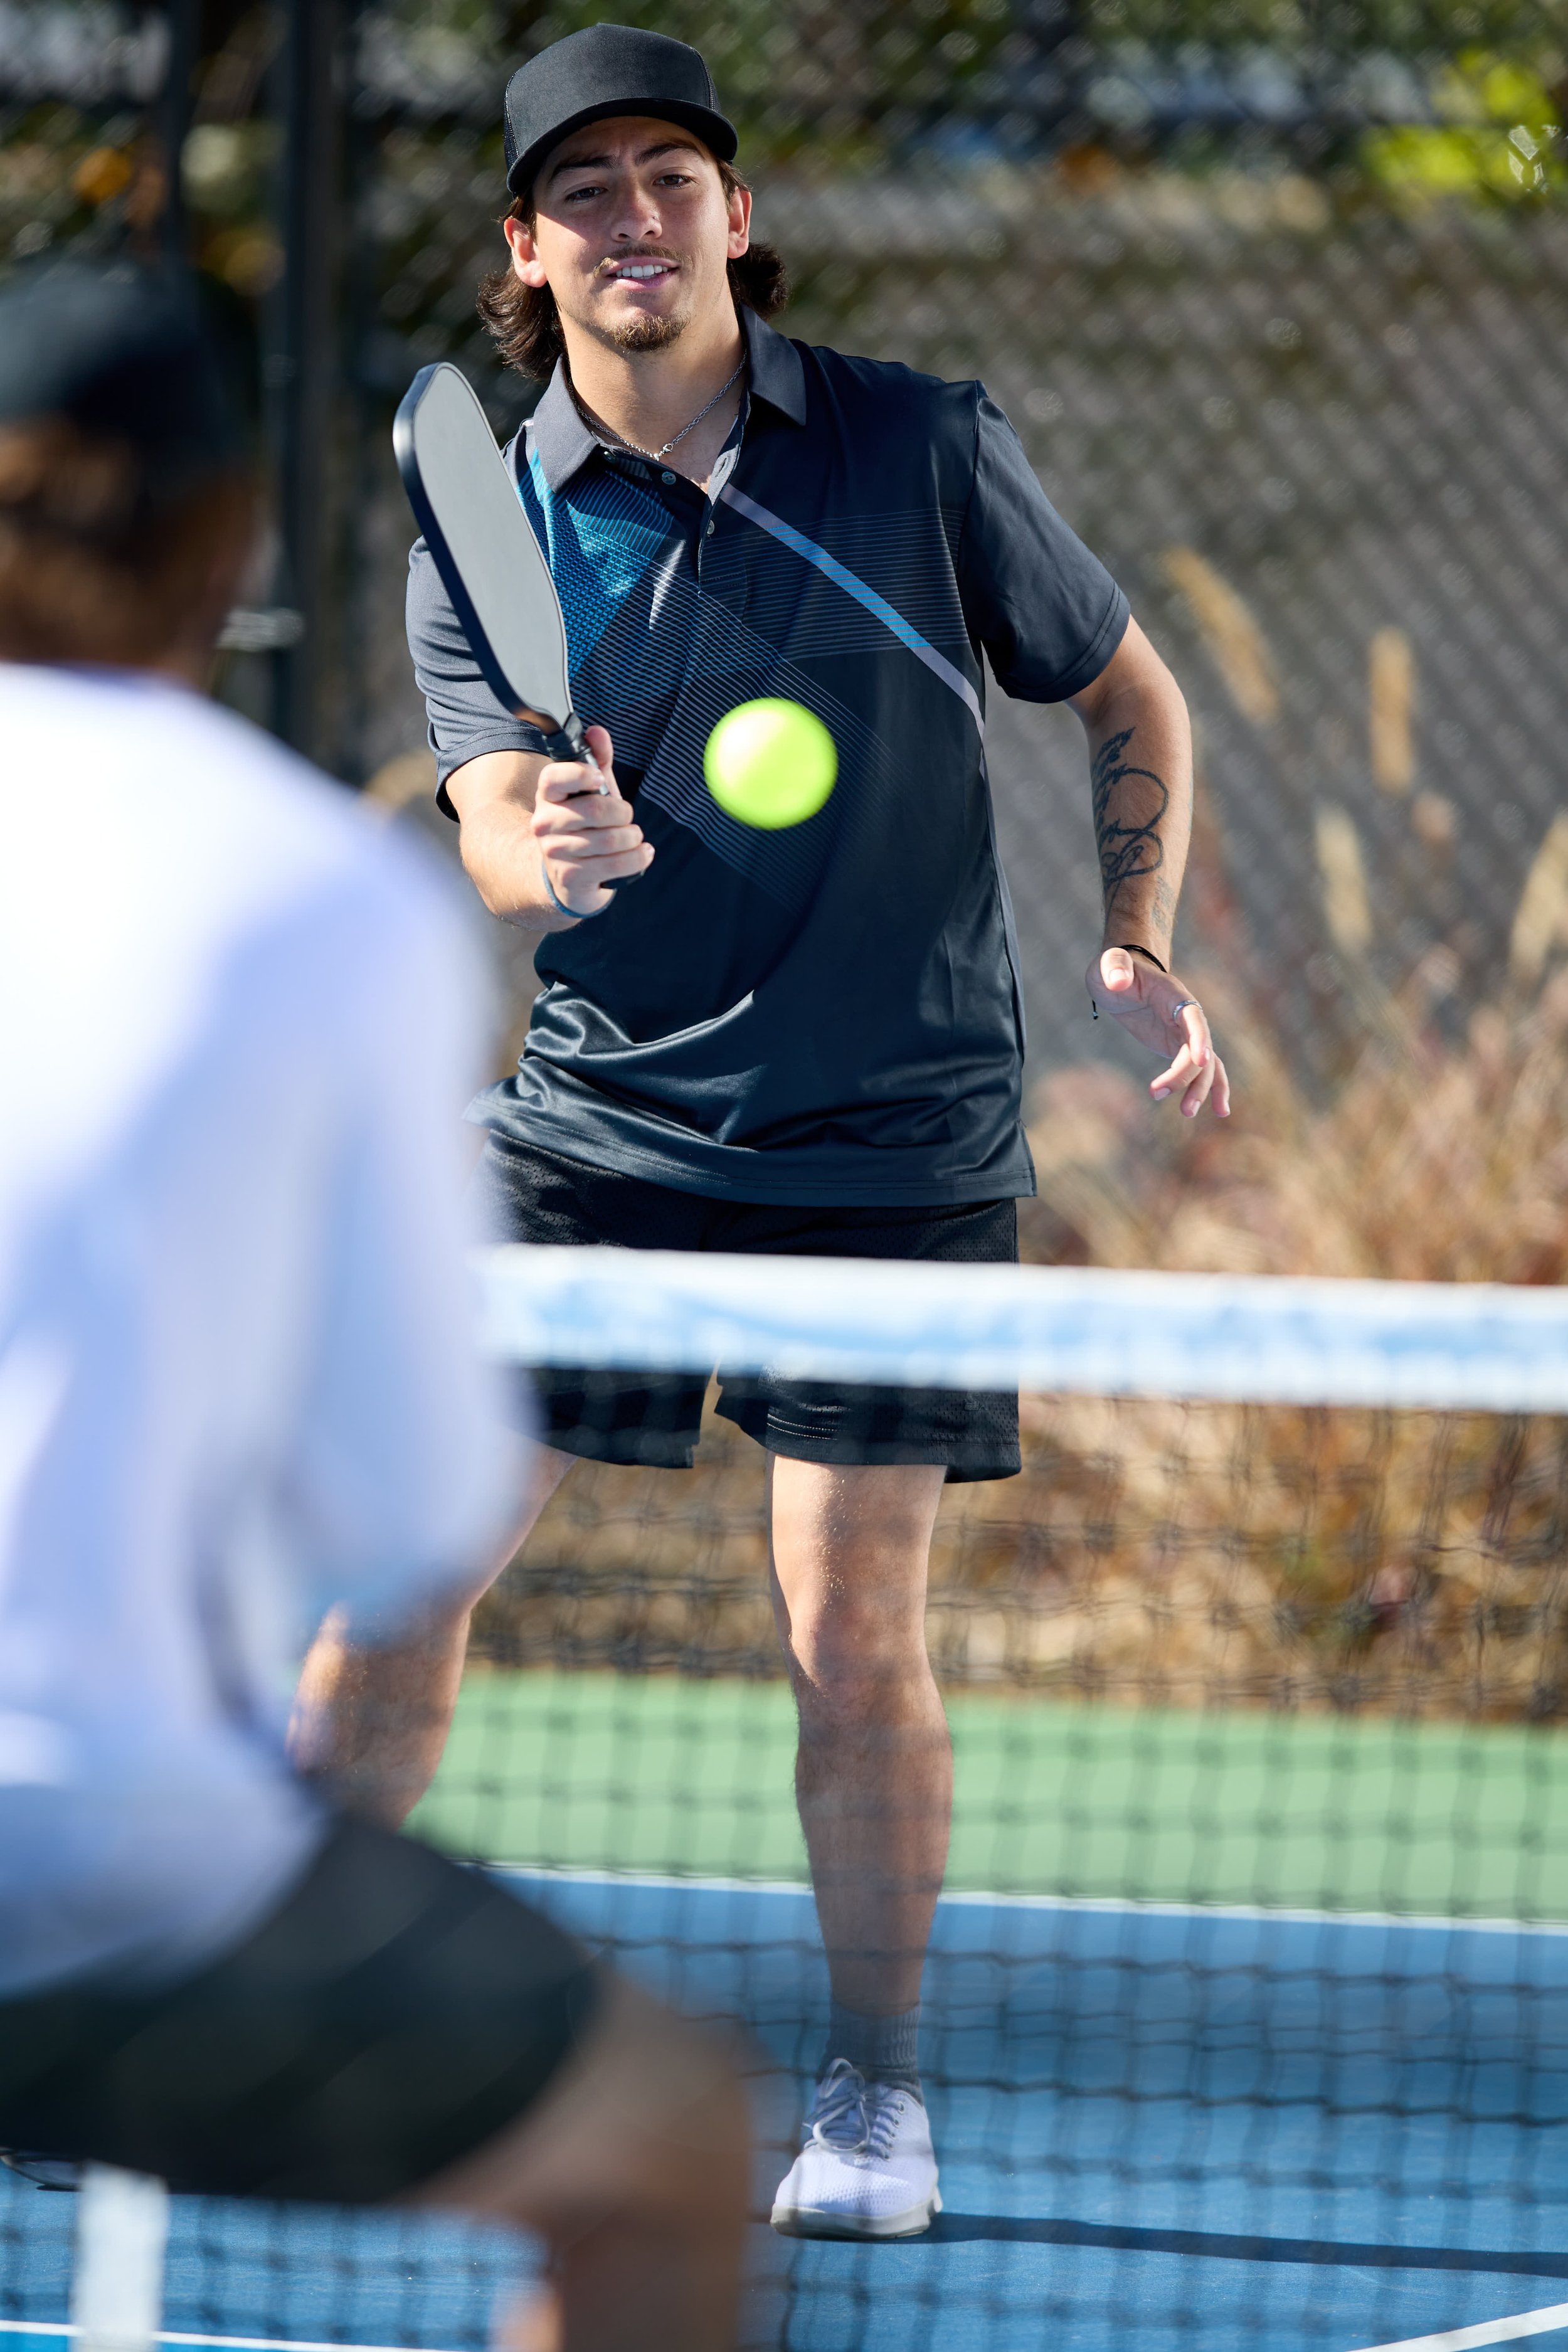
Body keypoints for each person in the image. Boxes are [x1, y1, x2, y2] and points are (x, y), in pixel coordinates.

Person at [297, 21, 1232, 2242]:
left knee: (847, 1631)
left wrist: (1137, 932)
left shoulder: (916, 445)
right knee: (401, 1577)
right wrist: (544, 846)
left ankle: (873, 2100)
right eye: (585, 190)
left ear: (733, 215)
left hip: (889, 1142)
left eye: (671, 177)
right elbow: (479, 816)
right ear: (527, 249)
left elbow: (1127, 688)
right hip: (591, 1134)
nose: (635, 218)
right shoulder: (482, 498)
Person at [0, 262, 747, 2352]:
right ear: (229, 541)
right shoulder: (323, 909)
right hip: (109, 1884)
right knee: (678, 2154)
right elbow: (403, 1511)